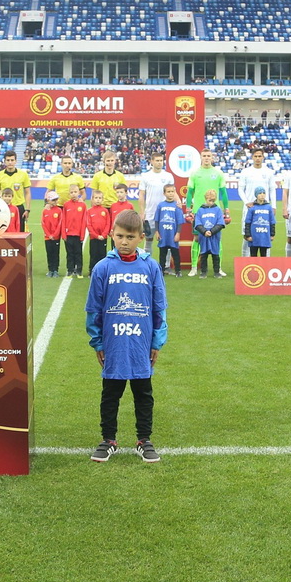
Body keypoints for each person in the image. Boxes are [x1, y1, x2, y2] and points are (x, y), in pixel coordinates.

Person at [86, 210, 166, 463]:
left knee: (143, 392)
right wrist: (98, 341)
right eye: (119, 236)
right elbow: (93, 308)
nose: (124, 241)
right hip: (114, 343)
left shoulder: (151, 267)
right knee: (111, 392)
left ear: (141, 237)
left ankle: (144, 439)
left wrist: (156, 342)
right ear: (112, 235)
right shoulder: (103, 267)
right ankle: (108, 439)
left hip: (141, 343)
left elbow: (159, 308)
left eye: (130, 237)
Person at [183, 149, 228, 226]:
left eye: (208, 156)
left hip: (215, 209)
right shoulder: (194, 173)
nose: (206, 158)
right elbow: (190, 192)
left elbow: (223, 193)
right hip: (198, 209)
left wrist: (226, 209)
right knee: (197, 237)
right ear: (200, 157)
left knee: (214, 234)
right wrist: (188, 209)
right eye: (204, 156)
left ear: (212, 158)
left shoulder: (219, 173)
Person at [0, 150, 32, 232]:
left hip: (19, 207)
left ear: (16, 161)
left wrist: (27, 209)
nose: (10, 162)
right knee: (3, 232)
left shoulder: (23, 174)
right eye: (8, 160)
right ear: (5, 161)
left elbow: (27, 193)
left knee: (20, 233)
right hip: (4, 208)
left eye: (12, 160)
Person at [152, 184, 186, 276]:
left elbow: (179, 221)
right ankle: (161, 271)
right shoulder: (160, 205)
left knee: (175, 254)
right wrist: (157, 232)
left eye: (172, 192)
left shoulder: (177, 206)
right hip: (163, 234)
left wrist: (178, 233)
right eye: (168, 192)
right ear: (164, 193)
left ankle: (178, 271)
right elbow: (157, 220)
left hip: (173, 234)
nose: (171, 194)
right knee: (162, 254)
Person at [192, 188, 227, 277]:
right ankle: (203, 272)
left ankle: (216, 272)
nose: (211, 202)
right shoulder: (200, 210)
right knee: (203, 254)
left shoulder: (218, 210)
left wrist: (211, 231)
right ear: (205, 198)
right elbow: (197, 223)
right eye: (209, 200)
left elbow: (220, 223)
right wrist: (204, 232)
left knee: (215, 254)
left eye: (213, 200)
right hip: (203, 237)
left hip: (214, 236)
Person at [136, 152, 175, 223]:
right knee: (148, 234)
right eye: (157, 161)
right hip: (150, 213)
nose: (159, 162)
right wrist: (141, 212)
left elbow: (173, 193)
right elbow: (141, 194)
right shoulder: (145, 176)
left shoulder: (168, 176)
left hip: (165, 212)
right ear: (152, 161)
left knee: (164, 233)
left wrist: (178, 203)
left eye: (161, 160)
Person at [236, 150, 275, 220]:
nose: (257, 158)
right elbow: (240, 189)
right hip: (249, 207)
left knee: (264, 228)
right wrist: (246, 202)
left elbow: (272, 190)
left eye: (259, 156)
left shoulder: (269, 172)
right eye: (255, 156)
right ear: (252, 157)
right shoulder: (245, 172)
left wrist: (274, 206)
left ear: (263, 157)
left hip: (264, 207)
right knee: (247, 230)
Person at [243, 186, 276, 257]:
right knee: (253, 255)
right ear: (256, 195)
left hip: (264, 236)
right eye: (260, 193)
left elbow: (272, 221)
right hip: (254, 237)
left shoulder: (269, 207)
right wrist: (248, 235)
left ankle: (263, 268)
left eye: (264, 193)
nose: (262, 195)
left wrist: (272, 234)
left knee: (263, 255)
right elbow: (247, 222)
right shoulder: (252, 208)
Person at [85, 193, 113, 272]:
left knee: (102, 254)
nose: (98, 199)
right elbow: (89, 225)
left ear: (102, 199)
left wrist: (103, 235)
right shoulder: (89, 211)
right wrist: (96, 235)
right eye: (96, 198)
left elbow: (108, 223)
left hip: (103, 238)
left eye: (100, 198)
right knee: (93, 254)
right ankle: (92, 270)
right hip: (94, 238)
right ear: (92, 199)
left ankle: (102, 271)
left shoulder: (105, 211)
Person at [62, 190, 87, 277]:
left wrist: (82, 235)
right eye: (71, 192)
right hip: (68, 234)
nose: (73, 194)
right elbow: (63, 220)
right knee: (69, 253)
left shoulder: (82, 205)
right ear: (69, 194)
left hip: (78, 234)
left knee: (78, 253)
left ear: (79, 193)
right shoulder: (66, 205)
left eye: (75, 192)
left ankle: (79, 270)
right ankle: (70, 270)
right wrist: (63, 234)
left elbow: (84, 221)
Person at [40, 191, 64, 277]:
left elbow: (60, 224)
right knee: (49, 253)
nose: (55, 202)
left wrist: (54, 235)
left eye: (56, 200)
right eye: (53, 200)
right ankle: (50, 270)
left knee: (55, 253)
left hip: (56, 237)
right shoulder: (45, 211)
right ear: (48, 200)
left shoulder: (58, 211)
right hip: (47, 237)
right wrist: (48, 234)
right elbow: (43, 224)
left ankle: (55, 270)